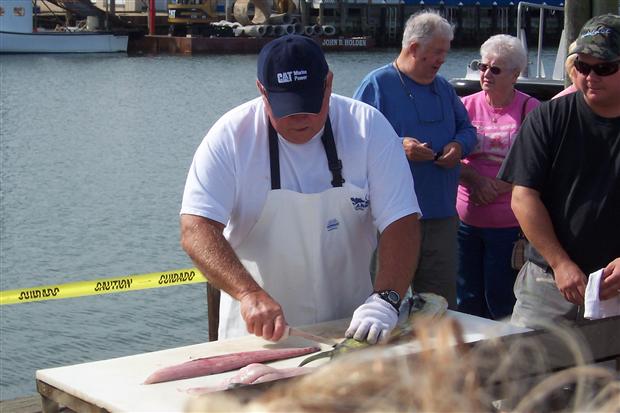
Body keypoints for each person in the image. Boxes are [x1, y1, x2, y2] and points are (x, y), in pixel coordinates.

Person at [180, 35, 421, 344]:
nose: (299, 119)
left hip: (351, 329)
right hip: (257, 337)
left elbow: (401, 221)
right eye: (286, 108)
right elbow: (195, 228)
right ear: (262, 91)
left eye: (308, 105)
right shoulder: (230, 136)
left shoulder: (369, 128)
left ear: (329, 84)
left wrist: (385, 299)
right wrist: (247, 292)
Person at [498, 14, 620, 329]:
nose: (591, 76)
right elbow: (523, 197)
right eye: (582, 66)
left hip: (615, 285)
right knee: (531, 373)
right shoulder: (548, 118)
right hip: (548, 281)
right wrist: (560, 263)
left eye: (604, 67)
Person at [353, 10, 477, 309]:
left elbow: (469, 130)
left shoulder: (444, 88)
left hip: (441, 217)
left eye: (445, 53)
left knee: (440, 306)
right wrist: (398, 147)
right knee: (381, 302)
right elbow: (353, 141)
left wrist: (458, 146)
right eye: (437, 52)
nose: (442, 60)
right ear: (412, 48)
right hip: (390, 220)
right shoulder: (377, 85)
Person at [456, 35, 540, 320]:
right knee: (465, 298)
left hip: (508, 224)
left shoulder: (531, 110)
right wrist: (474, 180)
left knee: (501, 297)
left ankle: (502, 359)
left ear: (516, 74)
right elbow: (449, 156)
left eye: (496, 69)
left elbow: (539, 165)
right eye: (482, 66)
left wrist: (500, 186)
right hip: (465, 221)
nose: (485, 74)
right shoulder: (464, 106)